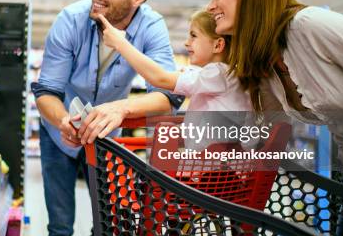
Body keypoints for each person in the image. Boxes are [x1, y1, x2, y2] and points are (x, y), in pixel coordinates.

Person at [206, 0, 343, 223]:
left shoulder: (311, 26)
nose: (210, 6)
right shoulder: (268, 61)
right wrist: (213, 172)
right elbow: (267, 135)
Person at [31, 0, 183, 236]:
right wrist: (61, 120)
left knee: (107, 226)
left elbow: (169, 96)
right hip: (58, 134)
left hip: (105, 138)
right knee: (60, 228)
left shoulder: (151, 27)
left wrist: (123, 106)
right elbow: (47, 91)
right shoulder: (71, 20)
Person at [97, 9, 251, 149]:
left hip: (211, 173)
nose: (186, 43)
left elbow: (160, 79)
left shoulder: (217, 73)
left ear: (218, 45)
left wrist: (120, 44)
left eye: (193, 36)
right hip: (221, 170)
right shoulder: (227, 76)